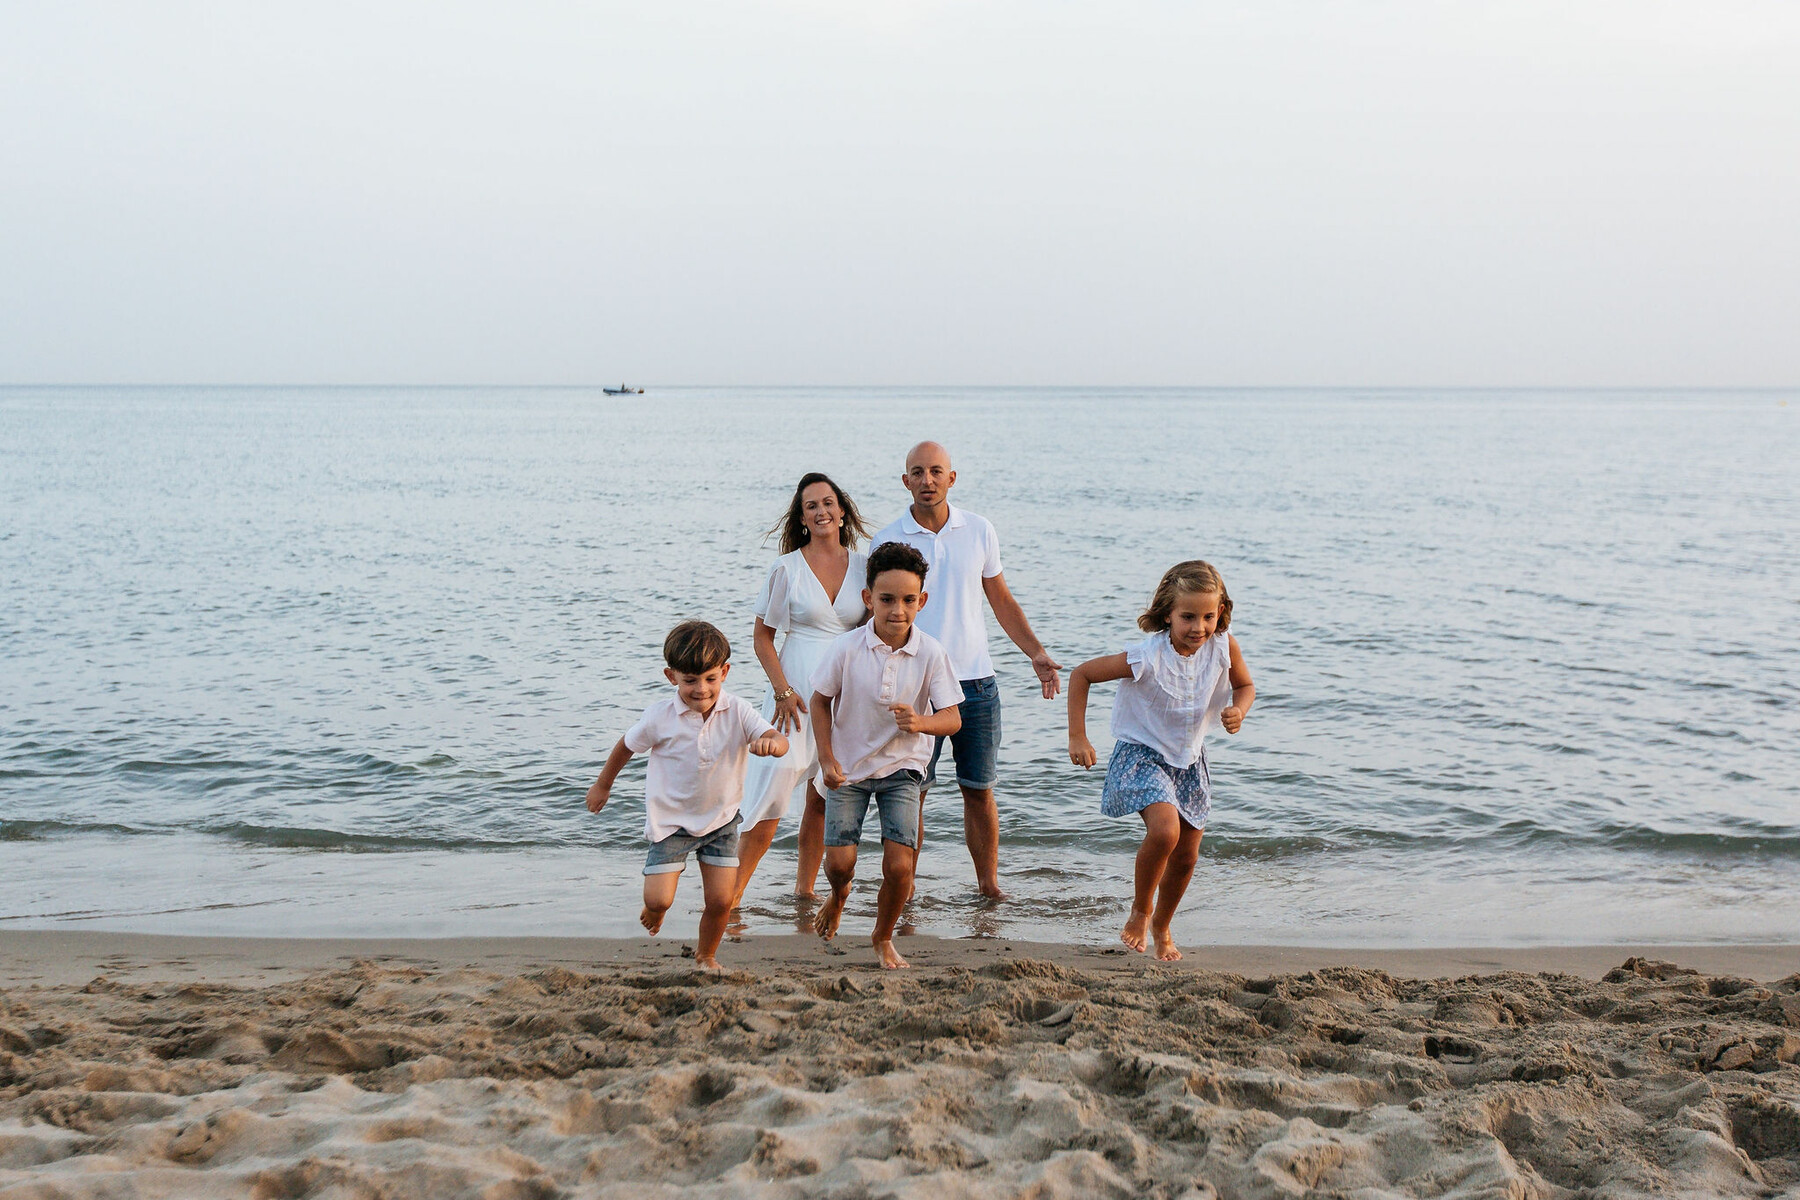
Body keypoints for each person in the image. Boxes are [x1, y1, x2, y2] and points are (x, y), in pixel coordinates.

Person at [870, 441, 1059, 899]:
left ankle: (988, 885)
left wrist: (1035, 652)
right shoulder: (887, 539)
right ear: (905, 481)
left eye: (936, 471)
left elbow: (1001, 600)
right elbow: (875, 614)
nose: (927, 480)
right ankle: (905, 888)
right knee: (911, 790)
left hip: (976, 682)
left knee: (979, 789)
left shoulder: (978, 530)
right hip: (915, 684)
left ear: (951, 478)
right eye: (918, 472)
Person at [1066, 561, 1255, 962]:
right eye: (1187, 617)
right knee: (1166, 831)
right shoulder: (1146, 657)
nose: (1198, 627)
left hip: (1189, 760)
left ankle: (1163, 925)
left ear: (1220, 612)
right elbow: (1082, 674)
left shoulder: (1224, 647)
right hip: (1142, 754)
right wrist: (1078, 736)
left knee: (1187, 855)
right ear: (1167, 613)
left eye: (1208, 616)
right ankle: (1140, 910)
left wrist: (1240, 709)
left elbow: (1246, 685)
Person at [585, 620, 788, 971]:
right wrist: (603, 784)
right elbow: (626, 747)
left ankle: (706, 955)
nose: (701, 689)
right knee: (659, 899)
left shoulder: (737, 710)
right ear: (671, 677)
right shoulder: (659, 717)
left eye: (710, 678)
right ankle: (654, 910)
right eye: (690, 680)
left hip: (721, 822)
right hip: (672, 824)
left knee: (722, 899)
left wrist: (773, 743)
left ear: (724, 672)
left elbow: (777, 738)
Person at [809, 543, 963, 969]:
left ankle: (882, 937)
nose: (898, 610)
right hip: (849, 770)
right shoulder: (846, 648)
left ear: (922, 601)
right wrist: (826, 759)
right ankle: (839, 895)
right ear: (867, 599)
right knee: (840, 864)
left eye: (909, 600)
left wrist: (920, 723)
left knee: (899, 868)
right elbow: (820, 701)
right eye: (887, 599)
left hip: (903, 768)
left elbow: (952, 718)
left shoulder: (931, 652)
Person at [731, 473, 870, 910]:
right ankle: (730, 899)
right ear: (803, 517)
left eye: (828, 502)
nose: (821, 511)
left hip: (844, 696)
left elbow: (876, 627)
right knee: (769, 800)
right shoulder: (786, 568)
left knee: (823, 797)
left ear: (842, 510)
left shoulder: (866, 565)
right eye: (811, 506)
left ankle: (805, 892)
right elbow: (762, 638)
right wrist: (781, 691)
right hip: (793, 698)